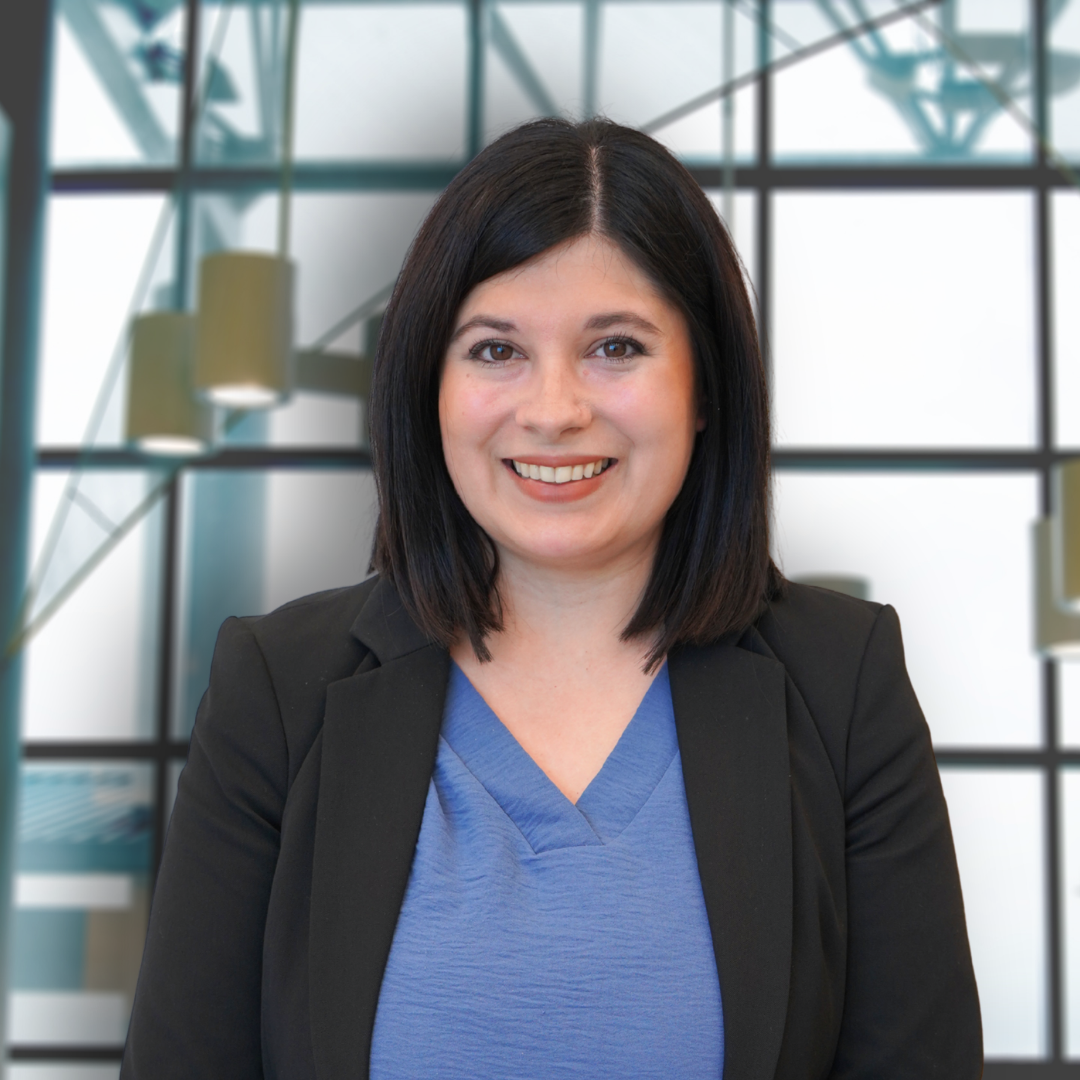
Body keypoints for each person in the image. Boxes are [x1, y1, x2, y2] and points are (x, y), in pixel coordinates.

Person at [121, 118, 982, 1079]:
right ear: (428, 389)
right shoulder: (277, 691)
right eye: (496, 352)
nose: (554, 409)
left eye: (616, 346)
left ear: (706, 389)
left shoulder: (843, 684)